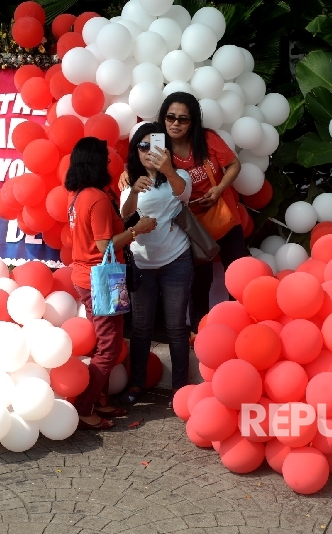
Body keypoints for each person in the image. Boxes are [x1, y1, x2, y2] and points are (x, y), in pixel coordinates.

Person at [66, 137, 157, 430]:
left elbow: (115, 221)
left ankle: (99, 401)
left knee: (102, 342)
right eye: (105, 159)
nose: (109, 163)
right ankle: (84, 407)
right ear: (95, 163)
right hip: (104, 277)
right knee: (109, 346)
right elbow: (105, 245)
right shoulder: (98, 198)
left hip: (87, 275)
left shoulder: (79, 195)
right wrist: (137, 230)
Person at [157, 92, 247, 339]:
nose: (176, 123)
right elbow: (138, 164)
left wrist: (218, 189)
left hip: (222, 215)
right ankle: (201, 331)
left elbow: (234, 164)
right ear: (163, 119)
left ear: (193, 122)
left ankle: (240, 324)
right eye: (170, 117)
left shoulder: (207, 140)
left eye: (183, 119)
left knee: (239, 272)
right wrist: (126, 173)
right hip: (189, 224)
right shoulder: (157, 145)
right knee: (200, 279)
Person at [118, 124, 194, 406]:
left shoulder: (179, 176)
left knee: (176, 327)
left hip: (176, 258)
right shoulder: (130, 182)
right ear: (135, 151)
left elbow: (183, 194)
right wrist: (134, 190)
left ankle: (179, 389)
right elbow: (124, 215)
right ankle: (137, 384)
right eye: (143, 146)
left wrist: (168, 169)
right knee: (141, 327)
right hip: (141, 262)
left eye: (155, 145)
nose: (149, 152)